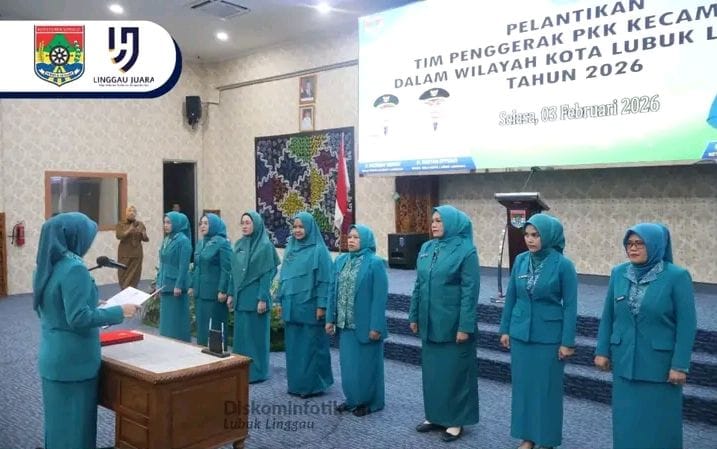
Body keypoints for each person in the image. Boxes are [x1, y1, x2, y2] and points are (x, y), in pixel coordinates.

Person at [34, 212, 139, 449]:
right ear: (75, 237)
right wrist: (119, 311)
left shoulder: (47, 265)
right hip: (75, 361)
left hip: (53, 356)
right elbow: (78, 318)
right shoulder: (74, 268)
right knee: (76, 430)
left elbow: (55, 305)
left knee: (58, 427)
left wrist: (92, 303)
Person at [595, 223, 696, 449]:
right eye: (629, 243)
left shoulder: (677, 276)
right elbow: (609, 315)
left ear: (655, 245)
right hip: (624, 361)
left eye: (640, 243)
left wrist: (680, 365)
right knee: (627, 422)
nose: (633, 248)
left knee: (658, 425)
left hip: (659, 366)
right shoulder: (618, 273)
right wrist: (602, 350)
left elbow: (687, 325)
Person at [498, 213, 578, 449]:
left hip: (549, 337)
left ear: (549, 236)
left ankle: (546, 439)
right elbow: (511, 296)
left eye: (535, 235)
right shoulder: (521, 260)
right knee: (524, 389)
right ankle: (527, 437)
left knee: (546, 390)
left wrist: (567, 342)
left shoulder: (563, 265)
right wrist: (505, 328)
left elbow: (571, 306)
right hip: (521, 334)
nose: (530, 239)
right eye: (527, 235)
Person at [408, 205, 479, 443]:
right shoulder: (427, 248)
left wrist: (465, 326)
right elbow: (418, 284)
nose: (434, 224)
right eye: (433, 221)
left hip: (452, 324)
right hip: (429, 321)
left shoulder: (466, 250)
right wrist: (414, 315)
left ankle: (455, 421)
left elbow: (470, 292)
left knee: (454, 374)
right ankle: (435, 416)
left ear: (452, 223)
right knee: (433, 374)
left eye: (440, 221)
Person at [325, 224, 388, 417]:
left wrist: (376, 326)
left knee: (367, 366)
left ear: (366, 240)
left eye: (356, 237)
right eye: (350, 237)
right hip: (345, 324)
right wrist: (330, 318)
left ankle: (371, 402)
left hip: (366, 325)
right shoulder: (341, 260)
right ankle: (352, 399)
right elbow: (332, 290)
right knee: (349, 366)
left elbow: (379, 298)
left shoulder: (375, 263)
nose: (351, 240)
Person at [275, 212, 333, 398]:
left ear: (309, 228)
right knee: (294, 349)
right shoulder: (290, 249)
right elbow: (284, 278)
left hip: (310, 308)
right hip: (292, 307)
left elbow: (325, 281)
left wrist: (322, 306)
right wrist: (281, 301)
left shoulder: (319, 250)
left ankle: (313, 386)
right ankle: (296, 384)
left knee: (311, 348)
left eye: (301, 227)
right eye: (295, 227)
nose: (298, 230)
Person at [227, 211, 280, 382]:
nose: (244, 226)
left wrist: (263, 298)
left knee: (256, 338)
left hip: (256, 299)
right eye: (242, 223)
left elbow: (267, 274)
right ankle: (241, 371)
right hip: (241, 298)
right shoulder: (239, 244)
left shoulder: (265, 246)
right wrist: (230, 294)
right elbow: (233, 272)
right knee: (241, 337)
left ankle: (257, 372)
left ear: (256, 224)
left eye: (248, 223)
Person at [189, 213, 232, 347]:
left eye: (206, 223)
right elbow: (196, 267)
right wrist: (191, 285)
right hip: (200, 292)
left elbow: (227, 269)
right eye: (201, 223)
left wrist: (223, 290)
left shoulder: (222, 243)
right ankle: (202, 352)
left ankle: (216, 353)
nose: (202, 226)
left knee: (214, 326)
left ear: (214, 225)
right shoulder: (200, 243)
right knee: (202, 327)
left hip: (214, 293)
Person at [157, 211, 193, 342]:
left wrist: (178, 285)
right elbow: (162, 263)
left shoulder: (183, 241)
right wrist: (158, 283)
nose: (165, 225)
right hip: (165, 284)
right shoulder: (166, 239)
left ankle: (180, 342)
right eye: (164, 222)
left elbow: (184, 266)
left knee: (176, 321)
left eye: (169, 222)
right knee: (166, 322)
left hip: (176, 287)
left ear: (176, 223)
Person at [115, 204, 149, 289]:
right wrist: (129, 230)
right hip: (124, 254)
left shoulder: (140, 224)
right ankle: (124, 292)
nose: (132, 213)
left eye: (134, 211)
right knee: (123, 275)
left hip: (137, 254)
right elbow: (119, 236)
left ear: (136, 214)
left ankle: (133, 292)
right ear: (126, 213)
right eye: (130, 211)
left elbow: (146, 239)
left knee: (135, 276)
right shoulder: (121, 224)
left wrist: (144, 234)